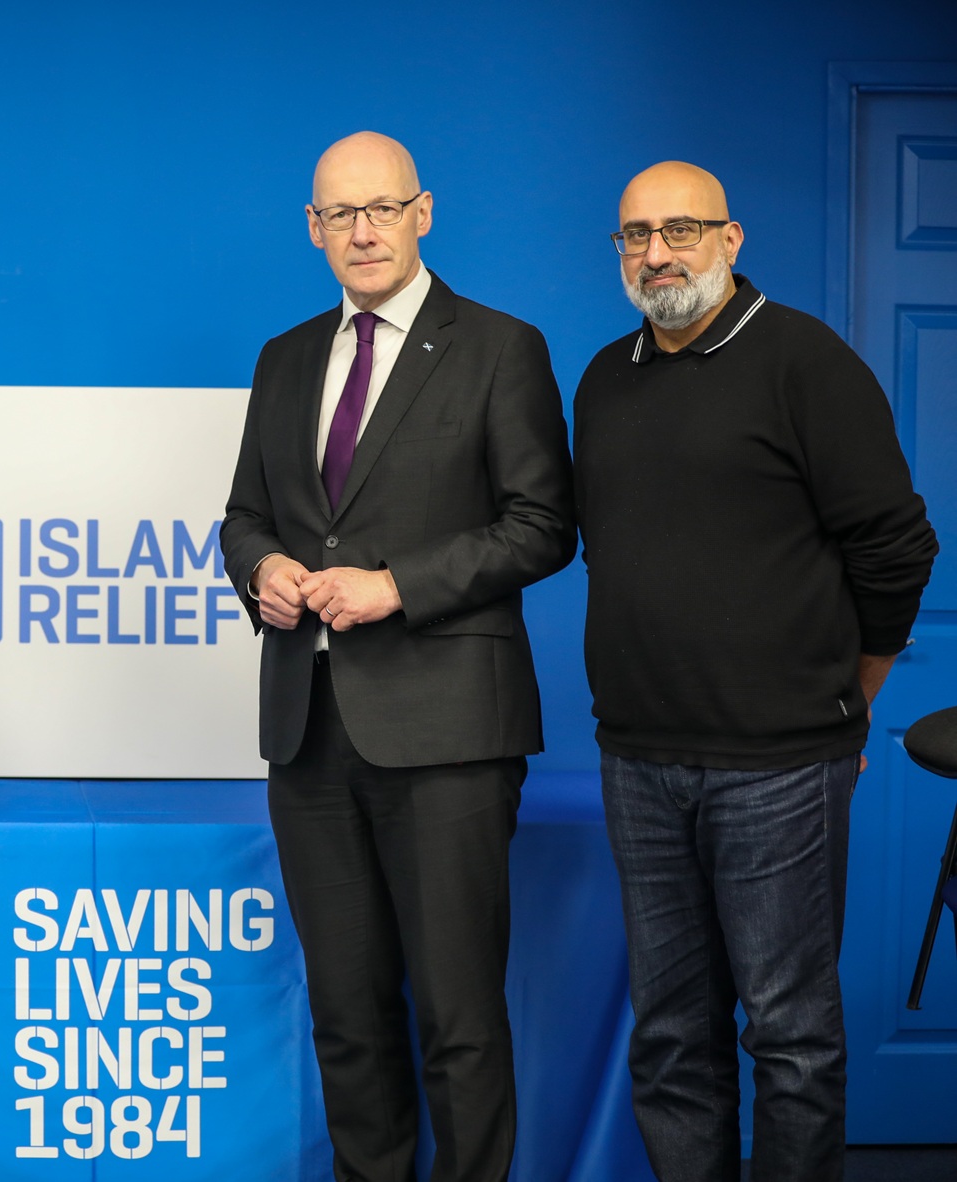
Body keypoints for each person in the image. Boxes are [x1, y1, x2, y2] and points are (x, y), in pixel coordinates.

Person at [220, 132, 575, 1182]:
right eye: (340, 214)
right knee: (346, 1012)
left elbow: (543, 526)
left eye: (381, 209)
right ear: (312, 229)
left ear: (423, 213)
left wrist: (397, 585)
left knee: (458, 1018)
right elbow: (244, 515)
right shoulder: (285, 358)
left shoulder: (500, 347)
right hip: (308, 731)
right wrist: (262, 568)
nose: (362, 232)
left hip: (449, 733)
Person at [574, 161, 937, 1181]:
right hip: (638, 760)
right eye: (635, 235)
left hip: (779, 768)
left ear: (730, 240)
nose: (656, 253)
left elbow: (897, 547)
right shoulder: (604, 378)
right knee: (669, 1037)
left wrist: (852, 697)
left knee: (790, 1038)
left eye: (680, 229)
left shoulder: (805, 363)